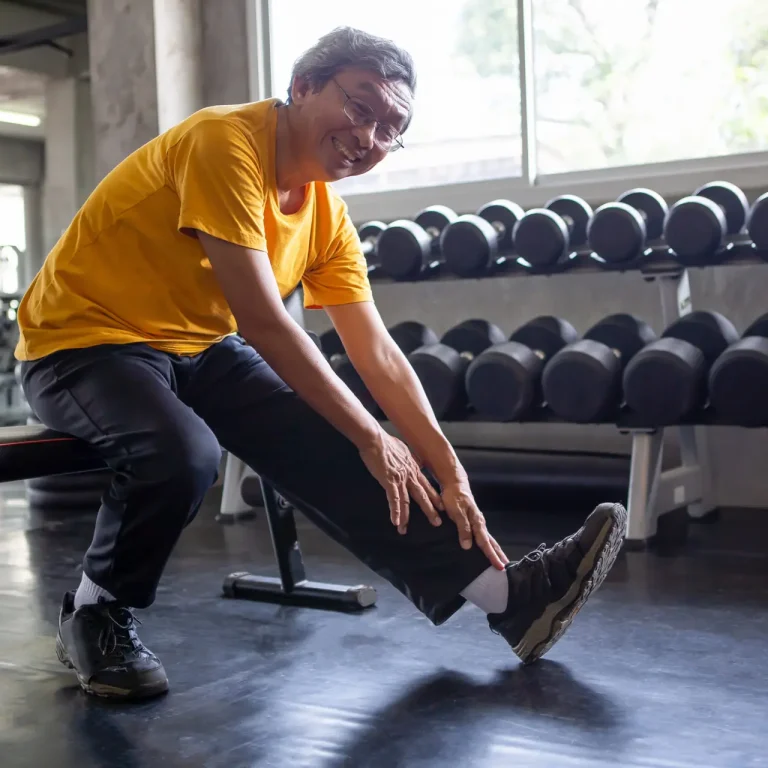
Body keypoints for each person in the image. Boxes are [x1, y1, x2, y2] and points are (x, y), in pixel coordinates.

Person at [16, 26, 626, 701]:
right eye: (360, 108)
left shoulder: (328, 219)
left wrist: (447, 468)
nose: (370, 136)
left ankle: (510, 597)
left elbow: (380, 354)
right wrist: (375, 435)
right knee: (184, 453)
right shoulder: (224, 143)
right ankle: (96, 611)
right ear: (302, 87)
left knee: (346, 439)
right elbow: (263, 319)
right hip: (82, 342)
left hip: (196, 345)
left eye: (391, 128)